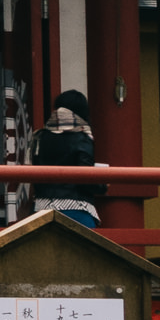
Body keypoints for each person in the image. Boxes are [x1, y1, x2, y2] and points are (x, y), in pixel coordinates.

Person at [28, 87, 99, 225]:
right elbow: (85, 178)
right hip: (77, 208)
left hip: (42, 208)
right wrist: (102, 184)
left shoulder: (39, 136)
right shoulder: (82, 137)